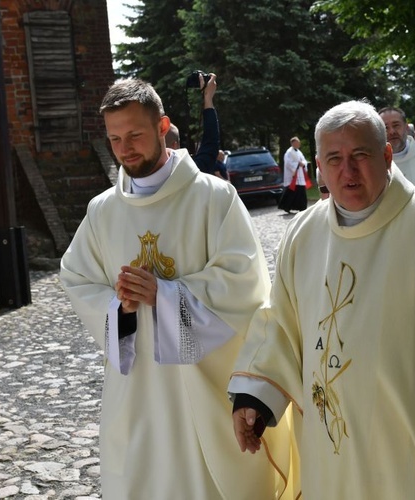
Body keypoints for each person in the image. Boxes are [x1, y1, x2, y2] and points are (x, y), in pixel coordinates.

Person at [229, 100, 415, 499]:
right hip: (332, 446)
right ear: (318, 166)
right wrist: (256, 398)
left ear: (388, 155)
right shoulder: (302, 235)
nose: (348, 170)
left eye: (360, 155)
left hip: (413, 438)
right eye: (334, 159)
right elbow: (282, 326)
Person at [59, 78, 293, 499]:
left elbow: (246, 285)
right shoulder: (102, 212)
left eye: (135, 135)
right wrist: (120, 306)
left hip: (202, 391)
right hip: (137, 395)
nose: (125, 148)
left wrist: (164, 295)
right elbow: (77, 280)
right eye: (115, 139)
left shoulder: (213, 198)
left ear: (163, 126)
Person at [165, 73, 221, 177]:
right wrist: (207, 98)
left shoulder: (137, 178)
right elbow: (211, 144)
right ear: (174, 145)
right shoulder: (189, 172)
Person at [278, 136, 309, 213]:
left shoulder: (299, 152)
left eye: (299, 143)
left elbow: (304, 160)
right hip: (293, 175)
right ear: (292, 143)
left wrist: (303, 164)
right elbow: (288, 163)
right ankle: (286, 207)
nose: (298, 144)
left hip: (300, 174)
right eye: (297, 143)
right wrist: (297, 164)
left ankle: (302, 207)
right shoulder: (289, 152)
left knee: (301, 192)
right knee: (291, 192)